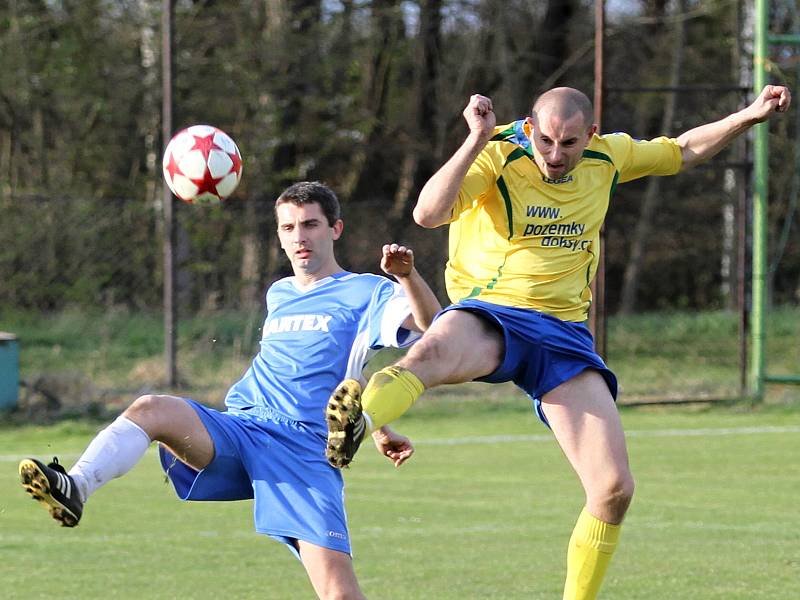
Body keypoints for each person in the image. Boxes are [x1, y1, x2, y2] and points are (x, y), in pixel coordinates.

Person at [324, 85, 792, 599]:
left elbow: (681, 150)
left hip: (564, 335)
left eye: (568, 144)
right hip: (493, 311)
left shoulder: (608, 156)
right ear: (529, 127)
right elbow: (428, 214)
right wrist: (476, 137)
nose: (554, 154)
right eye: (545, 140)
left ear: (589, 135)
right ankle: (360, 418)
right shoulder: (498, 151)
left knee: (613, 490)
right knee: (431, 353)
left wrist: (749, 115)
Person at [19, 181, 441, 600]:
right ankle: (76, 487)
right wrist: (379, 427)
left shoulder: (367, 291)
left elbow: (431, 325)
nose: (300, 237)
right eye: (289, 227)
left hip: (300, 449)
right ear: (278, 234)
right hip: (241, 428)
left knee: (340, 595)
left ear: (335, 229)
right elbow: (332, 367)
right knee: (150, 408)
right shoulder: (280, 293)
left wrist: (406, 276)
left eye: (311, 224)